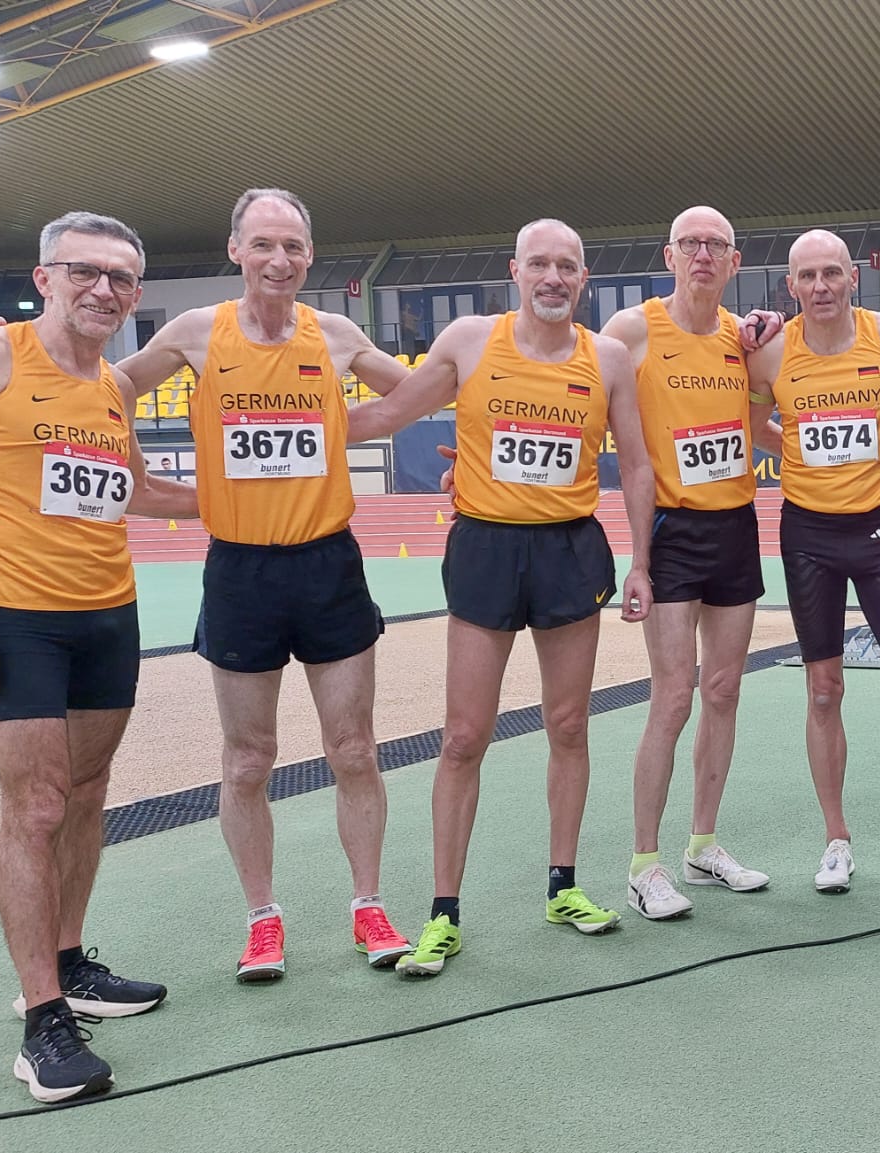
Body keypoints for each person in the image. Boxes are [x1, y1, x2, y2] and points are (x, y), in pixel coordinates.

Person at [0, 189, 420, 982]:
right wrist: (16, 343)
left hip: (327, 564)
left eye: (294, 247)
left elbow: (410, 394)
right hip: (235, 571)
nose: (279, 259)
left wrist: (343, 430)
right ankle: (261, 917)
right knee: (246, 760)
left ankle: (368, 904)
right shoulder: (193, 332)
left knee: (354, 749)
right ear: (235, 250)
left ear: (309, 255)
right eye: (263, 244)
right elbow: (94, 381)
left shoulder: (336, 334)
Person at [343, 219, 656, 976]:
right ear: (515, 271)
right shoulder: (470, 340)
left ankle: (564, 885)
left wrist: (642, 562)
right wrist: (295, 416)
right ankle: (444, 911)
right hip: (485, 548)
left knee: (569, 722)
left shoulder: (607, 358)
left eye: (567, 267)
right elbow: (388, 414)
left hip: (569, 548)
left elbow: (639, 468)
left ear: (583, 279)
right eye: (540, 264)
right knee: (462, 735)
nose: (553, 277)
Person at [0, 212, 198, 1102]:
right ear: (43, 277)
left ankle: (69, 960)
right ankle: (42, 1021)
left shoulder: (114, 387)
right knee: (36, 805)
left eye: (123, 278)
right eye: (85, 271)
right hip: (15, 618)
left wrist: (256, 496)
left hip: (106, 615)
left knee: (87, 795)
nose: (105, 289)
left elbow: (137, 489)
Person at [745, 230, 880, 892]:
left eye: (832, 272)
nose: (821, 285)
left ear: (854, 277)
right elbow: (752, 421)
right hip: (808, 533)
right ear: (791, 286)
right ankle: (837, 839)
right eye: (808, 276)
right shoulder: (772, 352)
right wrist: (793, 442)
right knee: (823, 687)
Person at [600, 207, 774, 921]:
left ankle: (703, 842)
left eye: (717, 246)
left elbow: (767, 421)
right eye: (691, 243)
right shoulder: (631, 332)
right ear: (668, 254)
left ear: (735, 263)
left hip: (735, 524)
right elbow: (582, 408)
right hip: (671, 532)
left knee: (724, 690)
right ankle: (644, 863)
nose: (703, 254)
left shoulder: (745, 341)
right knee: (672, 696)